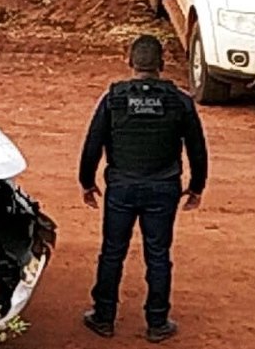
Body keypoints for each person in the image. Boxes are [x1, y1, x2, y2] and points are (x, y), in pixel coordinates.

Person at [78, 35, 208, 344]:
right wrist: (197, 187)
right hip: (163, 189)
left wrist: (86, 182)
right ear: (162, 65)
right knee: (158, 254)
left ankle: (104, 317)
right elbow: (197, 149)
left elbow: (92, 144)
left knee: (112, 252)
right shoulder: (180, 101)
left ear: (130, 62)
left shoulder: (114, 98)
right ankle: (157, 322)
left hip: (121, 188)